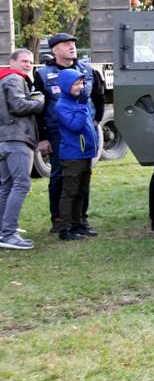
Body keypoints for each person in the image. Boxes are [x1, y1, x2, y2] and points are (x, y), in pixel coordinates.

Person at [34, 32, 105, 235]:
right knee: (58, 175)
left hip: (83, 129)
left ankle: (80, 219)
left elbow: (99, 96)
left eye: (73, 43)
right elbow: (39, 109)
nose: (72, 47)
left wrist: (96, 120)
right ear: (55, 50)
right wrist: (43, 137)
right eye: (66, 44)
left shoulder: (88, 70)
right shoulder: (43, 74)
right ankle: (59, 219)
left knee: (83, 176)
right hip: (57, 132)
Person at [0, 49, 45, 250]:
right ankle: (8, 234)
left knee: (6, 185)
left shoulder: (3, 79)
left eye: (30, 61)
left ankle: (4, 229)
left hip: (4, 140)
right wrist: (38, 102)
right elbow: (18, 106)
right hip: (17, 138)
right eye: (24, 61)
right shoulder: (14, 79)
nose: (28, 65)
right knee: (21, 184)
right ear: (12, 62)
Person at [53, 68, 98, 241]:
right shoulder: (63, 105)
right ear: (66, 85)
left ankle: (77, 224)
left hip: (84, 153)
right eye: (76, 83)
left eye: (81, 83)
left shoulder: (79, 102)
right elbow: (76, 127)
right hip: (72, 155)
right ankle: (65, 229)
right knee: (70, 192)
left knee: (82, 191)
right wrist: (81, 105)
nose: (81, 86)